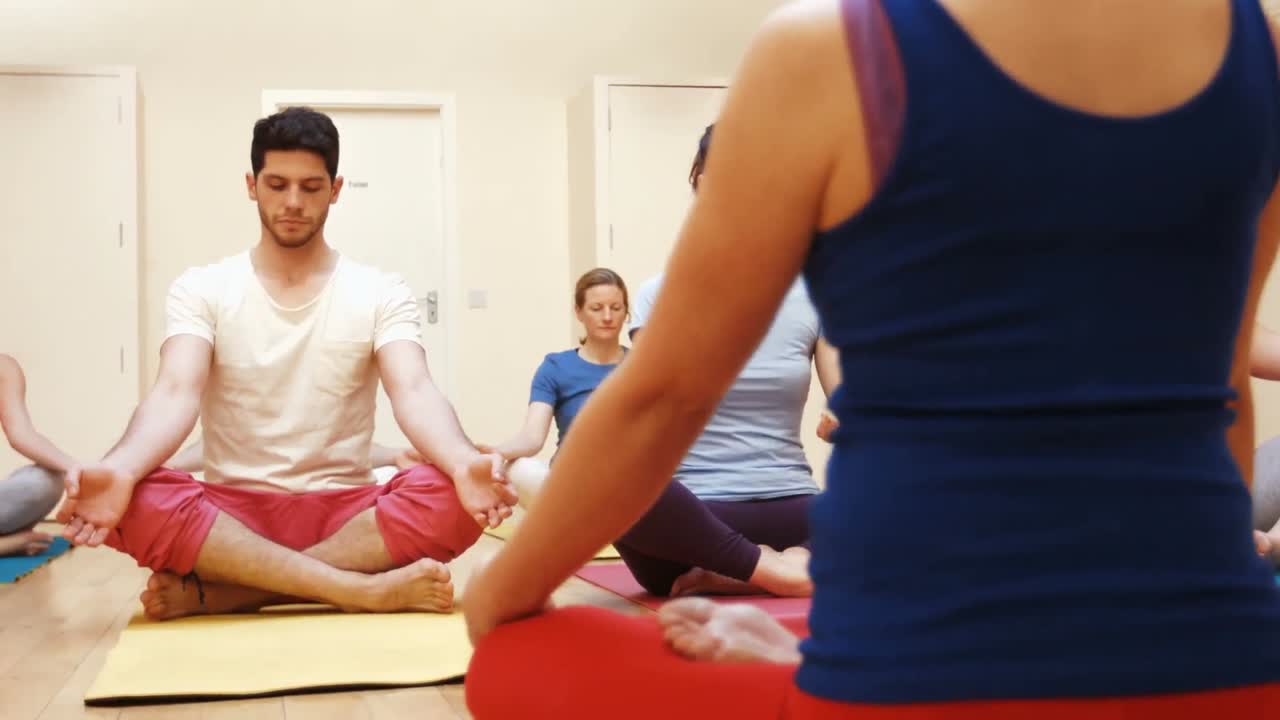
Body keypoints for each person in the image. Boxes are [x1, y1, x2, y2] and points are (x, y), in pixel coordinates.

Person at [463, 0, 1280, 717]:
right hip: (1225, 667)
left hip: (910, 681)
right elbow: (1224, 381)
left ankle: (808, 663)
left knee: (514, 657)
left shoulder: (829, 47)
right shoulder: (1264, 46)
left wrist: (495, 603)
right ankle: (802, 654)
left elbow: (662, 399)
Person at [56, 107, 516, 620]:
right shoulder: (202, 287)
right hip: (230, 516)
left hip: (347, 514)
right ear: (252, 185)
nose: (293, 202)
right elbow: (174, 392)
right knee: (136, 492)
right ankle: (358, 590)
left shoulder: (380, 290)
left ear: (336, 189)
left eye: (311, 187)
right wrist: (120, 469)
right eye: (277, 184)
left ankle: (241, 591)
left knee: (451, 492)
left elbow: (414, 389)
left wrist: (458, 462)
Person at [484, 268, 631, 462]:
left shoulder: (643, 366)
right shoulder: (556, 367)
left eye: (616, 308)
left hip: (632, 477)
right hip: (572, 479)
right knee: (522, 469)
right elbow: (532, 438)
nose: (607, 317)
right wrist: (494, 453)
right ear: (579, 312)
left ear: (626, 312)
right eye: (596, 308)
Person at [0, 354, 72, 557]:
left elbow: (21, 435)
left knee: (46, 479)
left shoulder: (4, 369)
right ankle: (9, 544)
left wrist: (77, 470)